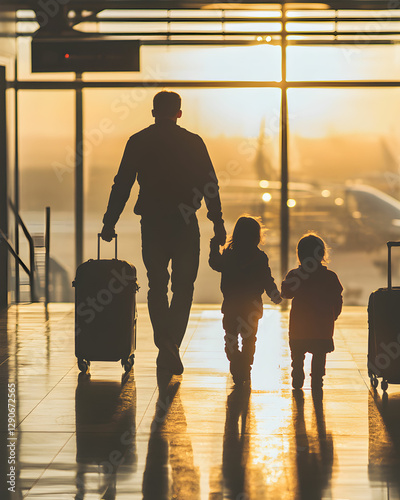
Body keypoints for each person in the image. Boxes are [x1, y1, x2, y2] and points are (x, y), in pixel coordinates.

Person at [101, 90, 226, 375]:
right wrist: (217, 221)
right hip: (185, 223)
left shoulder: (139, 141)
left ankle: (166, 346)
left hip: (153, 223)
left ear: (153, 111)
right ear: (179, 113)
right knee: (184, 287)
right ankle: (171, 346)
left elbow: (122, 184)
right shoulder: (193, 143)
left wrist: (110, 222)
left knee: (157, 284)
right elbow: (210, 184)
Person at [209, 216, 281, 384]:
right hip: (252, 307)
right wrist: (274, 293)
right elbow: (266, 279)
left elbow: (215, 263)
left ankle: (236, 362)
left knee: (230, 337)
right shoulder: (260, 258)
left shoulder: (228, 256)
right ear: (257, 237)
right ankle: (246, 366)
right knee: (249, 339)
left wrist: (213, 246)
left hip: (231, 305)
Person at [281, 234, 343, 390]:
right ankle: (317, 378)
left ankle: (297, 372)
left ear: (300, 255)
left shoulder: (295, 276)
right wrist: (333, 316)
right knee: (319, 354)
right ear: (322, 255)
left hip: (299, 327)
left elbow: (286, 294)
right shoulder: (330, 277)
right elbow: (337, 299)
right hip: (322, 327)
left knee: (297, 353)